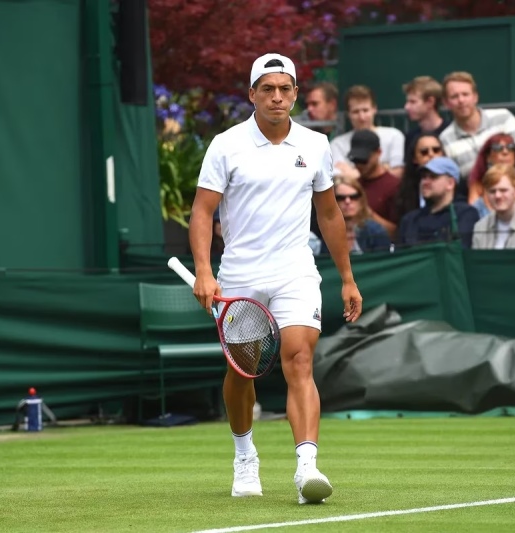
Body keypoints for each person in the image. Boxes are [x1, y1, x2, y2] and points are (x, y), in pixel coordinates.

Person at [188, 53, 363, 505]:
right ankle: (244, 454)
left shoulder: (316, 145)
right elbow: (203, 212)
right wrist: (205, 270)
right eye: (268, 89)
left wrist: (347, 277)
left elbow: (329, 213)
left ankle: (307, 468)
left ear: (296, 94)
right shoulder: (225, 145)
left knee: (299, 360)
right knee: (241, 370)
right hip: (240, 274)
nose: (277, 97)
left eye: (285, 89)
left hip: (295, 271)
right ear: (252, 94)